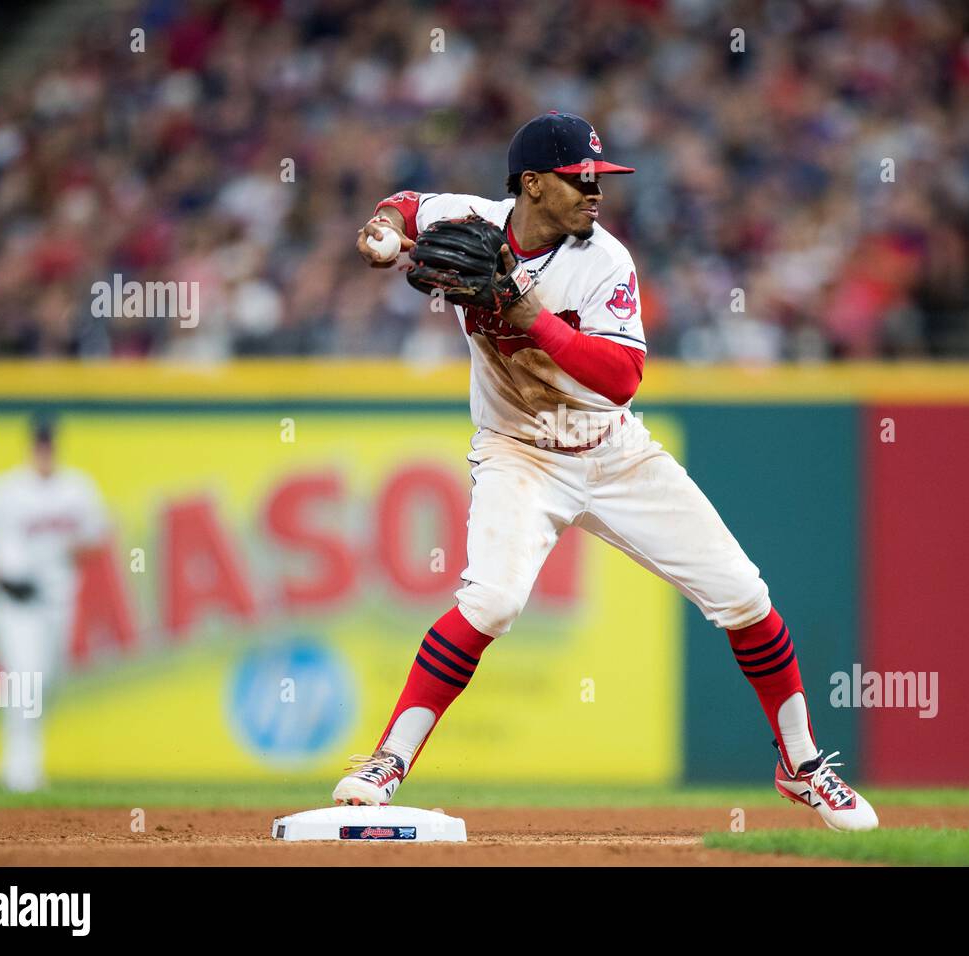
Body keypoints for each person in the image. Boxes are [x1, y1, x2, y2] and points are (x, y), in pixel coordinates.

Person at [333, 112, 877, 830]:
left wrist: (532, 317)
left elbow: (623, 376)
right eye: (579, 179)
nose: (596, 190)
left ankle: (801, 765)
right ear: (531, 185)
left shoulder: (605, 260)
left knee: (744, 595)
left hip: (612, 449)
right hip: (518, 451)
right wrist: (379, 232)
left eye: (599, 178)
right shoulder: (473, 218)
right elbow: (404, 207)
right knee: (492, 603)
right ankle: (387, 760)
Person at [0, 413, 108, 792]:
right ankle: (19, 770)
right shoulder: (7, 489)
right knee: (27, 677)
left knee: (50, 680)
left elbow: (99, 538)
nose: (44, 450)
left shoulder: (76, 488)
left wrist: (68, 549)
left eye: (49, 443)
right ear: (31, 446)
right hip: (15, 597)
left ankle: (24, 763)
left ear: (55, 445)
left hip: (58, 597)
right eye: (39, 443)